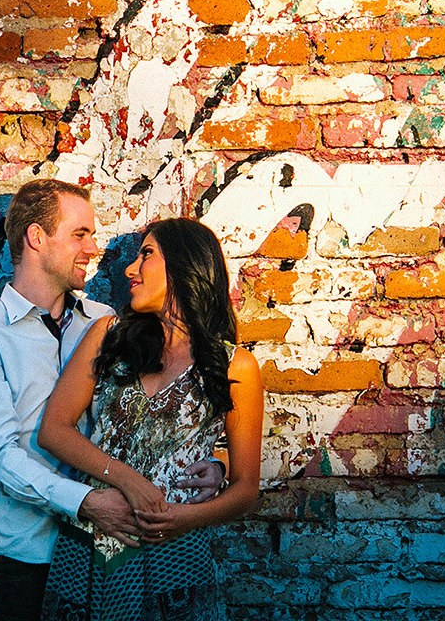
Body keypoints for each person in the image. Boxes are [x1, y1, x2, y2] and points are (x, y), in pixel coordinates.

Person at [35, 218, 264, 621]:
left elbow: (246, 489)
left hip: (175, 552)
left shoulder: (236, 365)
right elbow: (54, 430)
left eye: (146, 255)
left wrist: (184, 518)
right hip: (92, 542)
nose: (129, 270)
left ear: (184, 265)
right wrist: (127, 479)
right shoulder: (109, 335)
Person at [0, 179, 142, 621]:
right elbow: (0, 460)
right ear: (36, 237)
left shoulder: (104, 322)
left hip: (115, 552)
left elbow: (154, 409)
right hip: (35, 559)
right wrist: (86, 503)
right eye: (80, 234)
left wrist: (220, 459)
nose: (93, 248)